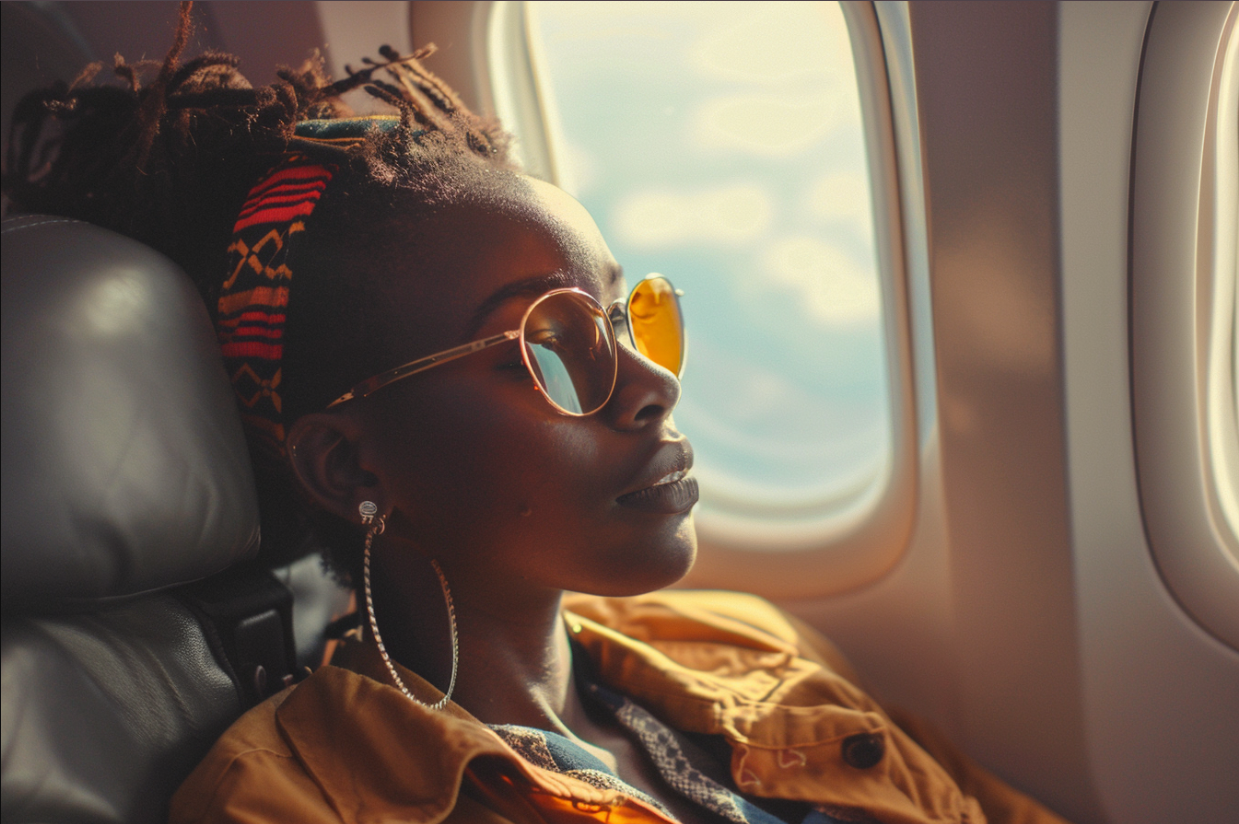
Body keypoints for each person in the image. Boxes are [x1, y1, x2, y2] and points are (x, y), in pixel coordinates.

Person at [3, 5, 1073, 824]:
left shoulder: (743, 644)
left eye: (624, 315)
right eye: (548, 342)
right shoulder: (294, 800)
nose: (652, 382)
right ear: (350, 467)